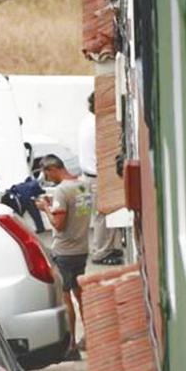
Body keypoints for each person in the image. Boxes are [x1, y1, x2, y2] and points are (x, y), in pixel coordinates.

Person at [35, 155, 90, 355]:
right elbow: (75, 211)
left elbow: (58, 224)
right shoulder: (83, 186)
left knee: (66, 298)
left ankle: (71, 345)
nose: (48, 179)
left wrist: (46, 208)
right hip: (82, 248)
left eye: (47, 174)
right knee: (80, 295)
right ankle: (89, 336)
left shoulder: (61, 190)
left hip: (65, 251)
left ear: (52, 169)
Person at [79, 92, 123, 265]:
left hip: (89, 176)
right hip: (96, 176)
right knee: (103, 214)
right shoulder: (96, 126)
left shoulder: (87, 121)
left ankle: (108, 247)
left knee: (100, 214)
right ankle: (101, 252)